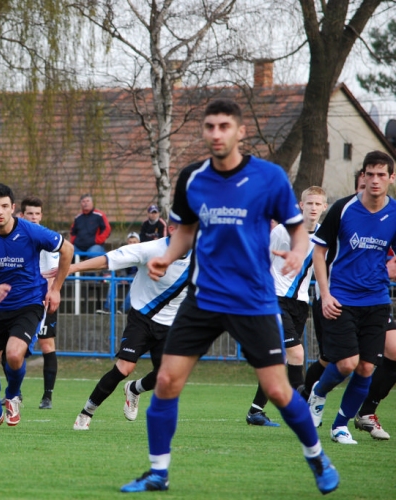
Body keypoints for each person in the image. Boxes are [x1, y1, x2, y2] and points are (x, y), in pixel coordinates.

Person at [121, 99, 338, 494]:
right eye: (210, 126)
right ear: (204, 132)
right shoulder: (192, 178)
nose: (216, 133)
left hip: (253, 300)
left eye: (224, 126)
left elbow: (297, 228)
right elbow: (185, 231)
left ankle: (316, 455)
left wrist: (295, 249)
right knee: (167, 381)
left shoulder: (268, 177)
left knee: (277, 389)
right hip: (203, 298)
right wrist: (167, 256)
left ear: (240, 132)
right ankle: (157, 473)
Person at [308, 150, 396, 445]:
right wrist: (325, 293)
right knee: (346, 363)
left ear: (391, 178)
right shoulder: (343, 209)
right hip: (341, 299)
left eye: (381, 174)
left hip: (377, 300)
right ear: (362, 176)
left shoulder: (395, 213)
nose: (374, 180)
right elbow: (319, 252)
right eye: (369, 174)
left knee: (367, 367)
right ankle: (319, 392)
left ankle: (340, 426)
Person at [0, 183, 73, 429]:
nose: (0, 211)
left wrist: (55, 288)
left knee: (15, 354)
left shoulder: (31, 231)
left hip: (29, 304)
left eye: (5, 206)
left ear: (14, 208)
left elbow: (67, 249)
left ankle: (13, 396)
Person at [71, 223, 190, 430]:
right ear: (172, 229)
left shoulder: (204, 256)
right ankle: (86, 412)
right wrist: (71, 268)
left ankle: (134, 389)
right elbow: (108, 260)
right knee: (124, 367)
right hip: (142, 317)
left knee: (168, 377)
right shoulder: (151, 249)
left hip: (171, 324)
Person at [245, 186, 328, 426]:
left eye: (318, 204)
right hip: (274, 300)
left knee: (279, 359)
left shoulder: (325, 236)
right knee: (297, 353)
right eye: (309, 203)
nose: (313, 207)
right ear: (301, 205)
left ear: (324, 207)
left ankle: (255, 411)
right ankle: (302, 407)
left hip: (300, 303)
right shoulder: (283, 231)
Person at [300, 172, 367, 401]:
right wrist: (325, 294)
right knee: (330, 357)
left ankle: (365, 412)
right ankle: (309, 396)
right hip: (332, 299)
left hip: (370, 299)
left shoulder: (384, 216)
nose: (368, 189)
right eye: (362, 186)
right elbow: (319, 255)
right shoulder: (340, 216)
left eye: (318, 204)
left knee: (367, 360)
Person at [20, 196, 61, 409]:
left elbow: (53, 272)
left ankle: (47, 397)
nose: (34, 218)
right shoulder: (16, 237)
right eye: (30, 214)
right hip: (19, 300)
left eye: (37, 214)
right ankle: (14, 393)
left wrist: (52, 292)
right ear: (22, 215)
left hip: (41, 299)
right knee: (13, 346)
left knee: (46, 345)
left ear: (41, 216)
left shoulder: (46, 238)